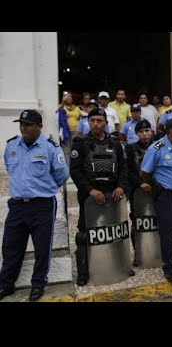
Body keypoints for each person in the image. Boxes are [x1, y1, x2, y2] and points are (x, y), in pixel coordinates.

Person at [0, 110, 69, 301]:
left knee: (42, 248)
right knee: (10, 247)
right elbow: (9, 167)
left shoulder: (50, 148)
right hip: (17, 206)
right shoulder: (12, 145)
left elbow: (62, 174)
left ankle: (38, 285)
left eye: (29, 124)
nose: (24, 127)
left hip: (42, 205)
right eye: (22, 123)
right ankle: (6, 285)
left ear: (39, 127)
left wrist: (44, 188)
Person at [69, 107, 129, 286]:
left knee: (116, 231)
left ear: (106, 123)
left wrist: (120, 187)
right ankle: (84, 272)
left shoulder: (115, 143)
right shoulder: (80, 143)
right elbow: (75, 171)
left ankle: (120, 265)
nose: (96, 124)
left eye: (99, 121)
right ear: (88, 122)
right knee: (84, 235)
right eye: (92, 120)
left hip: (113, 196)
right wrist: (90, 191)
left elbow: (123, 168)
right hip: (90, 197)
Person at [141, 116, 172, 282]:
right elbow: (145, 173)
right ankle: (170, 268)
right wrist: (157, 188)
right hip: (167, 197)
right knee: (168, 233)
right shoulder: (156, 148)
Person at [125, 119, 154, 264]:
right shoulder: (130, 149)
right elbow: (129, 171)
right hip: (137, 191)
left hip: (156, 190)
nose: (144, 134)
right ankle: (138, 253)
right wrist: (140, 183)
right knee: (138, 222)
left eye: (147, 131)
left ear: (151, 132)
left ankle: (155, 251)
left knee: (155, 221)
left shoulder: (158, 146)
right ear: (137, 133)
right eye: (141, 132)